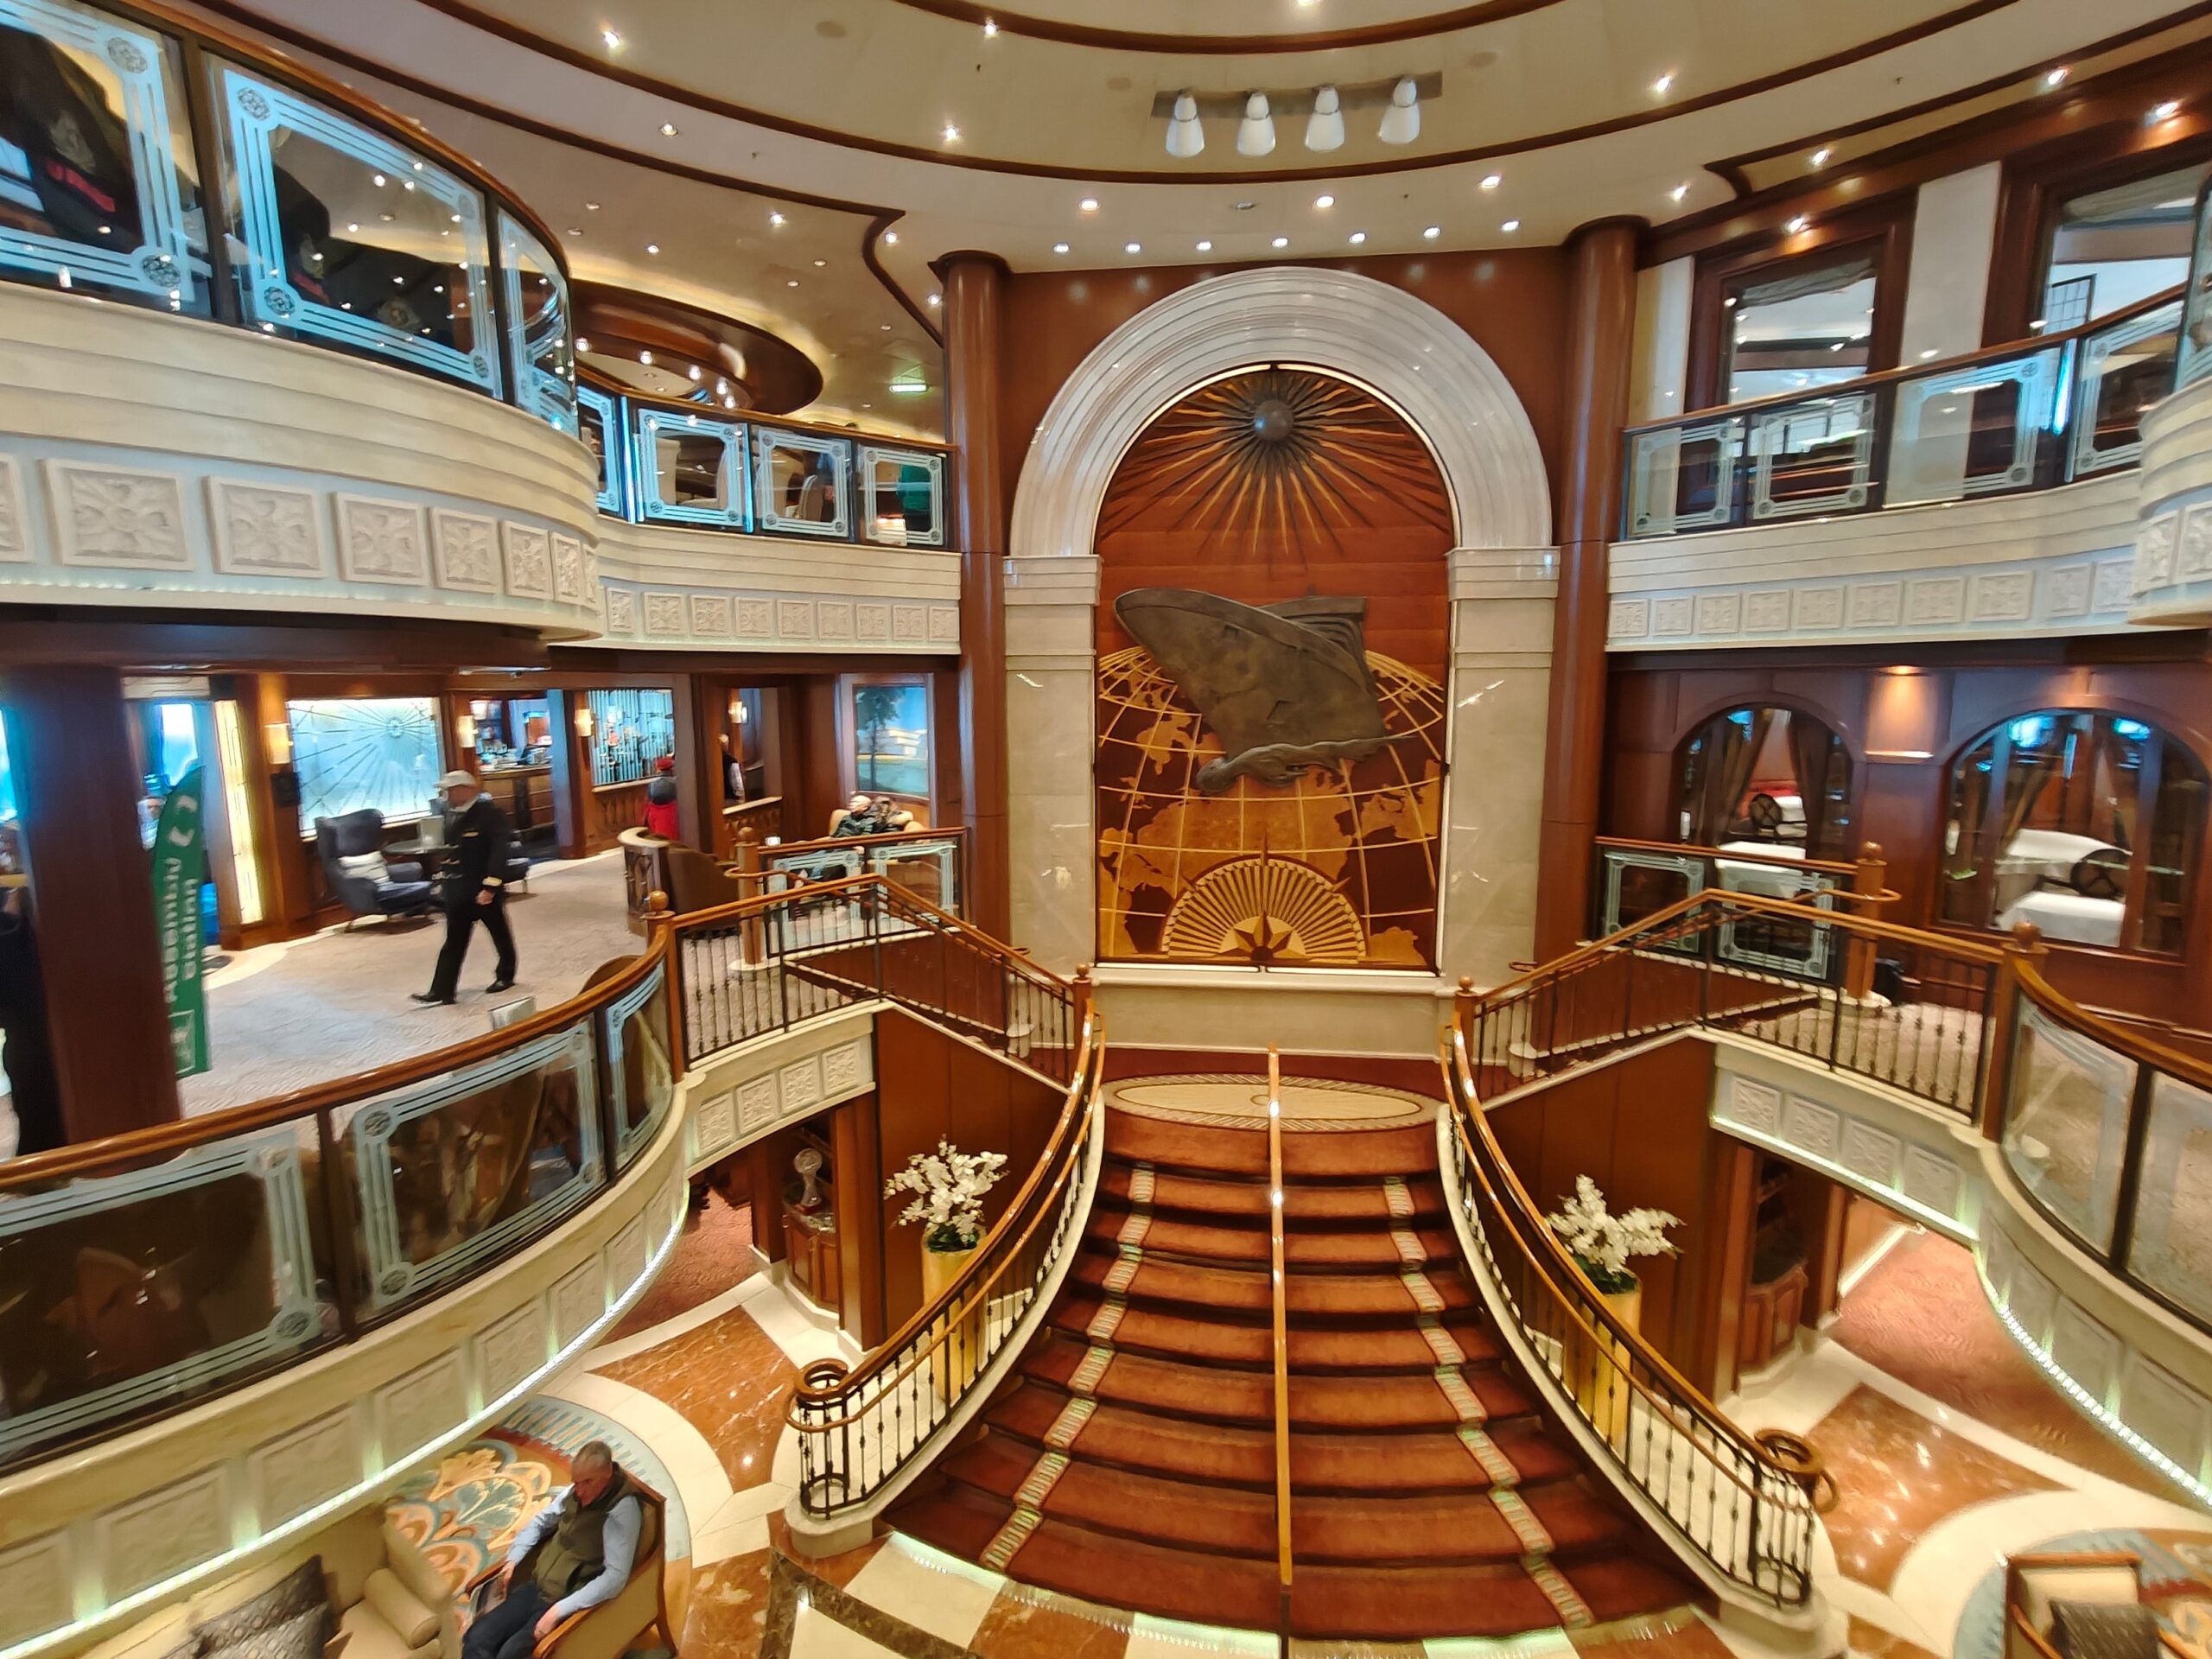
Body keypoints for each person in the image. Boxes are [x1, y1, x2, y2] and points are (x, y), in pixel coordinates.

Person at [464, 1441, 642, 1659]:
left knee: (510, 1654)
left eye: (588, 1482)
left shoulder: (622, 1511)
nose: (580, 1491)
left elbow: (615, 1577)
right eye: (576, 1482)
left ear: (608, 1472)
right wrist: (513, 1560)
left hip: (563, 1600)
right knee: (477, 1638)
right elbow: (540, 1522)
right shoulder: (574, 1493)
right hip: (534, 1586)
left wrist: (557, 1612)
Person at [412, 770, 517, 1006]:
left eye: (449, 790)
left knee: (499, 934)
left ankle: (506, 975)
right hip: (457, 889)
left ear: (465, 789)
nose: (445, 795)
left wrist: (491, 886)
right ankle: (442, 990)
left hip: (482, 889)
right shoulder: (450, 815)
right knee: (453, 941)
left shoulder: (490, 814)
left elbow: (499, 851)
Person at [639, 756, 679, 840]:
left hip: (657, 823)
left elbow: (647, 805)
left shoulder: (652, 785)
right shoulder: (677, 783)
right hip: (673, 820)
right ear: (672, 769)